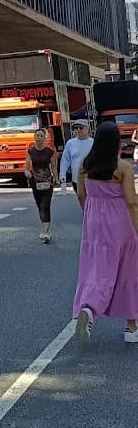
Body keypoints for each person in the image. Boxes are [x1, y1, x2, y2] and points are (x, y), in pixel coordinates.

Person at [73, 121, 138, 344]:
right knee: (127, 272)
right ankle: (131, 327)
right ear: (116, 142)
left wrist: (90, 216)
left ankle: (89, 309)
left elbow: (81, 194)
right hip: (121, 223)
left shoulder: (85, 164)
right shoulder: (122, 168)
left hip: (94, 222)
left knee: (97, 269)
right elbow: (131, 202)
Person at [24, 128, 59, 243]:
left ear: (45, 138)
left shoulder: (50, 152)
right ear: (34, 137)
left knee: (45, 205)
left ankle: (45, 232)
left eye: (41, 136)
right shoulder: (30, 151)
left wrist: (57, 179)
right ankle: (44, 226)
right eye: (37, 135)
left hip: (48, 182)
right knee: (39, 205)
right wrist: (27, 172)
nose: (39, 138)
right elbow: (27, 166)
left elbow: (53, 167)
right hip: (35, 182)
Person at [59, 121, 94, 196]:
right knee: (82, 200)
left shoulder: (94, 142)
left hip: (92, 178)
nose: (78, 130)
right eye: (76, 128)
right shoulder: (70, 143)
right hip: (76, 179)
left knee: (91, 202)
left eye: (81, 127)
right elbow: (65, 160)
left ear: (87, 128)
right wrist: (62, 175)